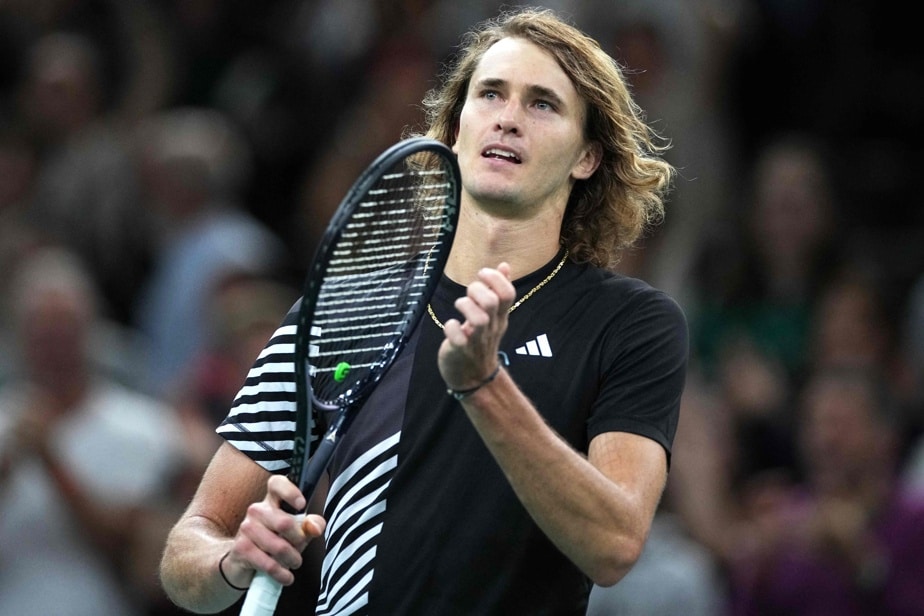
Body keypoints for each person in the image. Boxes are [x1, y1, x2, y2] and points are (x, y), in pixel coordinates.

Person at [160, 8, 688, 615]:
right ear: (457, 130)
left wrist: (483, 387)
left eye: (543, 104)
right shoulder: (341, 311)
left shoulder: (631, 325)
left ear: (587, 157)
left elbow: (614, 545)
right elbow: (187, 553)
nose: (508, 118)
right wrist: (232, 559)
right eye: (490, 94)